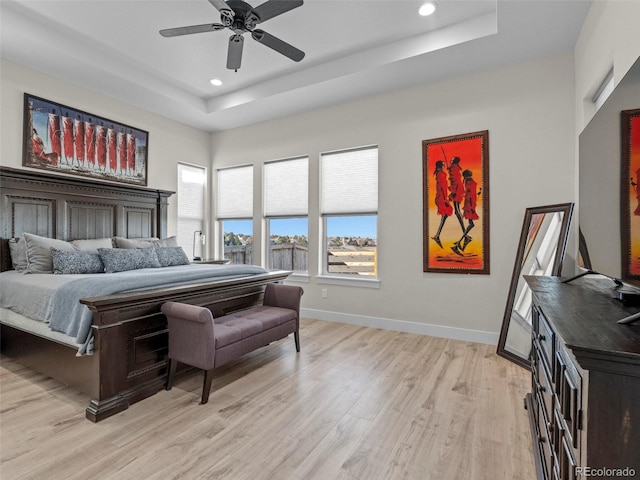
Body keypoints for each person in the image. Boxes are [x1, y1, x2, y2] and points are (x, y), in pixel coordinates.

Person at [452, 169, 480, 255]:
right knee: (471, 224)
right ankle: (459, 243)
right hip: (470, 206)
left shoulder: (468, 182)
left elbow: (470, 194)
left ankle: (462, 243)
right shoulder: (470, 183)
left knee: (471, 224)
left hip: (469, 205)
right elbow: (470, 196)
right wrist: (472, 207)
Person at [431, 160, 453, 248]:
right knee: (447, 212)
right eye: (443, 165)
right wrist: (445, 199)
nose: (444, 165)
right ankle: (437, 235)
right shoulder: (442, 174)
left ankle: (437, 235)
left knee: (445, 215)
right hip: (441, 198)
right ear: (441, 166)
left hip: (439, 197)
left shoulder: (439, 174)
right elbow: (442, 188)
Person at [448, 156, 466, 235]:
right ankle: (464, 232)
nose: (451, 160)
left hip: (456, 190)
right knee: (457, 210)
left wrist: (454, 191)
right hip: (458, 189)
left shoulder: (454, 169)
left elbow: (455, 181)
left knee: (457, 211)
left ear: (454, 161)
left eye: (452, 159)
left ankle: (464, 232)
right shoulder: (455, 168)